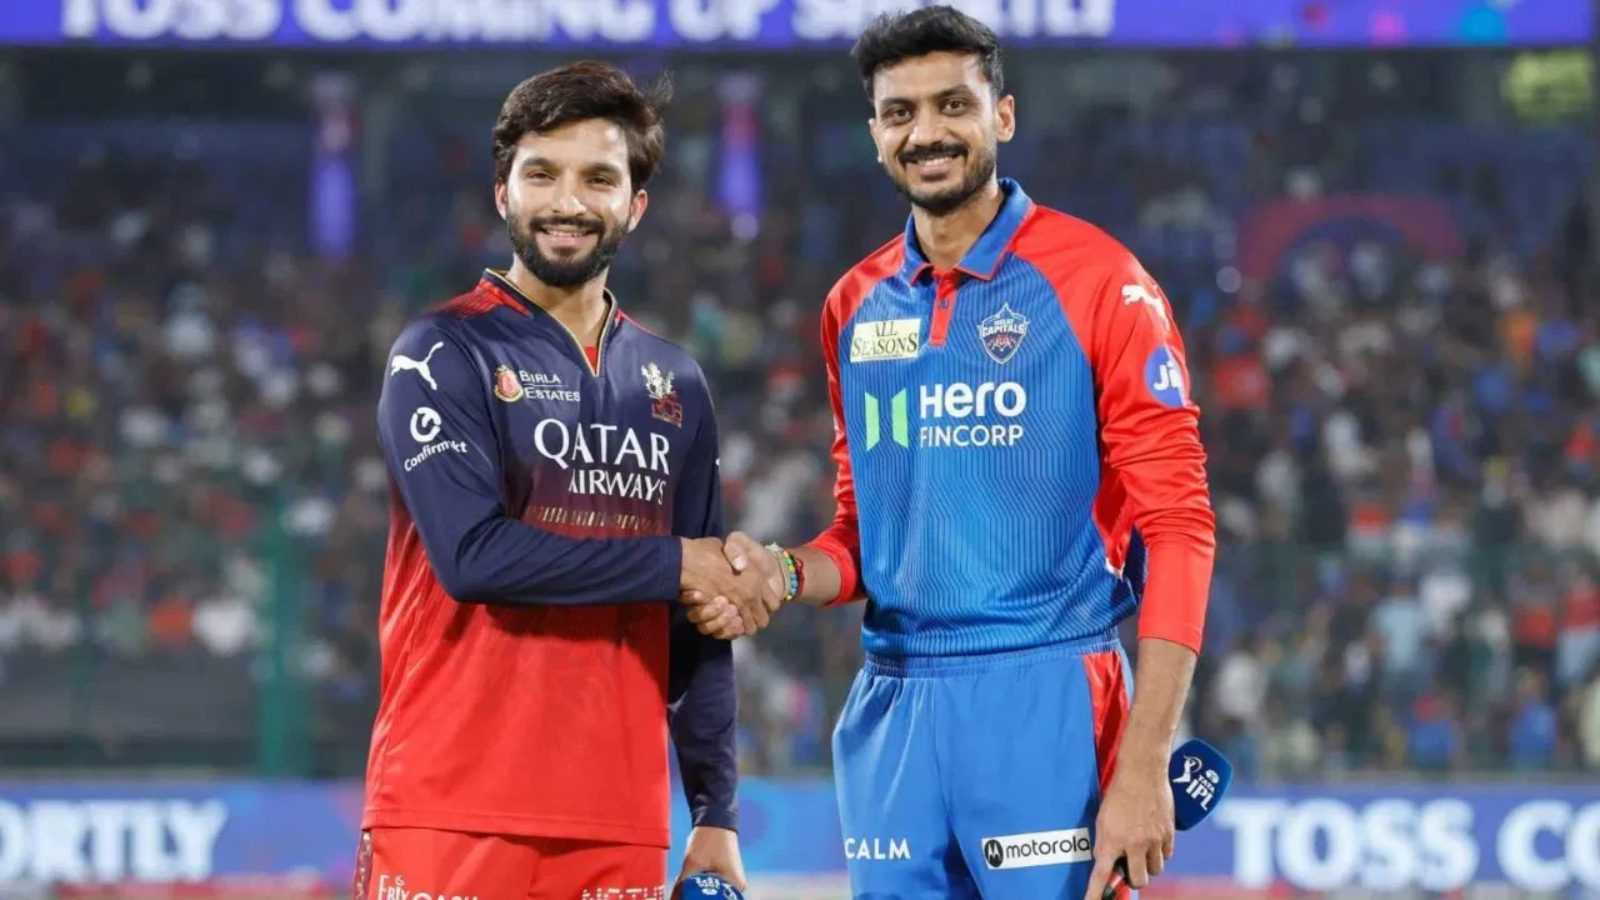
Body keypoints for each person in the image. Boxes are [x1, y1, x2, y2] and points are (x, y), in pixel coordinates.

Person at [698, 8, 1215, 898]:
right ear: (875, 135)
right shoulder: (853, 304)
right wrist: (779, 575)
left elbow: (1181, 527)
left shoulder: (1101, 281)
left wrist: (1145, 762)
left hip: (1047, 695)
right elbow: (866, 535)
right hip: (893, 710)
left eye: (953, 105)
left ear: (1002, 116)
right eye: (899, 113)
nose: (926, 132)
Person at [356, 61, 766, 900]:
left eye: (598, 179)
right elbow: (473, 558)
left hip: (620, 822)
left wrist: (715, 812)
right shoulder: (441, 352)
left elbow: (698, 621)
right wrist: (675, 563)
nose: (567, 202)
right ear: (502, 193)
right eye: (541, 174)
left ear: (635, 205)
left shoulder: (676, 383)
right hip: (449, 807)